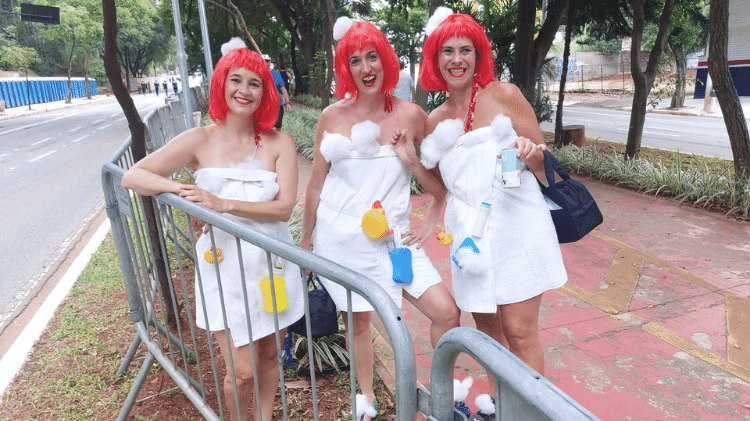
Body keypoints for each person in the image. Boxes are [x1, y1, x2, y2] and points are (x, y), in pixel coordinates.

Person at [121, 37, 304, 421]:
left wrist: (221, 205)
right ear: (222, 84)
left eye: (255, 83)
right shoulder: (200, 139)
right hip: (223, 269)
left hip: (272, 264)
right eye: (236, 80)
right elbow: (133, 176)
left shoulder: (279, 143)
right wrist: (181, 190)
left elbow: (284, 208)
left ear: (265, 92)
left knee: (270, 356)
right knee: (241, 372)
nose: (245, 90)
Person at [299, 17, 460, 421]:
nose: (366, 68)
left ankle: (437, 396)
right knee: (358, 324)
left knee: (447, 313)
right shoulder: (331, 117)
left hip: (395, 244)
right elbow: (316, 186)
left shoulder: (412, 114)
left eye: (372, 56)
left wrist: (411, 165)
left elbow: (440, 188)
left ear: (385, 60)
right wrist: (304, 243)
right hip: (342, 240)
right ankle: (366, 400)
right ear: (346, 68)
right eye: (355, 60)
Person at [419, 8, 567, 419]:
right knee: (488, 332)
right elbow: (442, 184)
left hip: (517, 228)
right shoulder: (434, 122)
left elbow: (543, 166)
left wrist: (532, 155)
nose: (457, 59)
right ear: (436, 60)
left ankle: (530, 412)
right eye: (447, 51)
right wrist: (409, 163)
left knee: (520, 332)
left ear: (478, 55)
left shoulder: (504, 95)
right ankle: (505, 406)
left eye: (466, 49)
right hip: (470, 239)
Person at [263, 54, 292, 129]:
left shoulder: (276, 74)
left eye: (267, 61)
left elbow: (283, 89)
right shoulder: (258, 74)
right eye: (264, 61)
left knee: (277, 129)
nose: (266, 62)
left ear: (270, 62)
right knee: (266, 129)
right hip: (264, 105)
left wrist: (287, 103)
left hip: (278, 105)